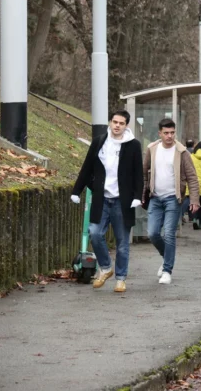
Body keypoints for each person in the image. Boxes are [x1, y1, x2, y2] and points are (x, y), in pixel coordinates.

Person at [70, 110, 143, 293]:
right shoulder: (99, 142)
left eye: (121, 123)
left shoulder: (133, 145)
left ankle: (121, 279)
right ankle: (105, 267)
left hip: (122, 201)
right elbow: (87, 167)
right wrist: (77, 190)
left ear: (126, 125)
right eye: (115, 122)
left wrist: (137, 196)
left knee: (122, 243)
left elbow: (138, 173)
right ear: (110, 122)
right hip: (102, 198)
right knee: (95, 232)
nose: (117, 126)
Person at [143, 118, 200, 285]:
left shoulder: (182, 152)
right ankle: (166, 257)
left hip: (173, 199)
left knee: (169, 234)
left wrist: (194, 200)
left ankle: (167, 270)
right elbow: (144, 172)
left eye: (172, 133)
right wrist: (142, 194)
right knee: (152, 233)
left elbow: (192, 177)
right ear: (160, 133)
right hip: (155, 198)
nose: (169, 136)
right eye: (166, 133)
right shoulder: (152, 149)